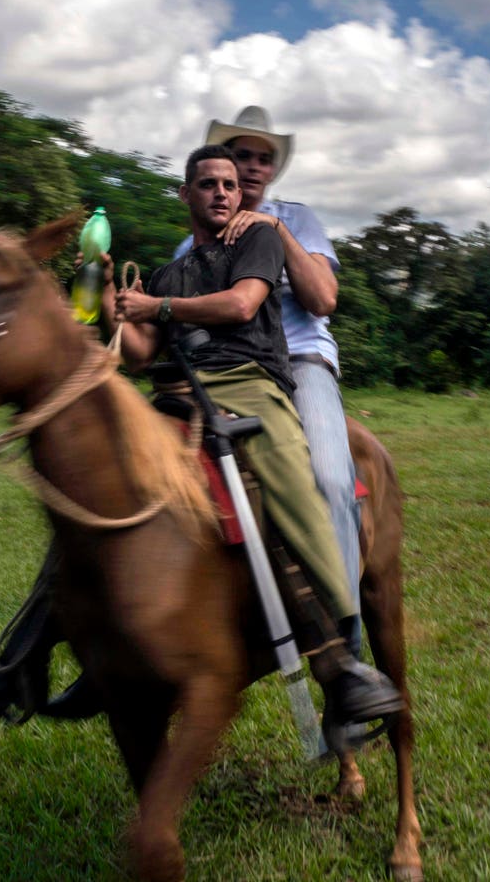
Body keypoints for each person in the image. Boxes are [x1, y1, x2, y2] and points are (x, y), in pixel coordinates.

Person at [0, 146, 402, 726]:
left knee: (290, 483)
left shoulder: (256, 241)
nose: (222, 194)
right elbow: (137, 354)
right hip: (176, 396)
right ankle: (23, 660)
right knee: (97, 495)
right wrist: (110, 300)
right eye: (207, 184)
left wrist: (155, 306)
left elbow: (241, 304)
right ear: (186, 195)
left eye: (230, 185)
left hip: (250, 384)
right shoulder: (168, 271)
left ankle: (340, 661)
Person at [177, 105, 366, 653]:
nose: (254, 169)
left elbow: (324, 299)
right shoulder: (192, 244)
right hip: (221, 371)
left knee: (331, 481)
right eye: (242, 157)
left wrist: (275, 230)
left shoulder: (297, 218)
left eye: (265, 160)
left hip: (301, 363)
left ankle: (345, 648)